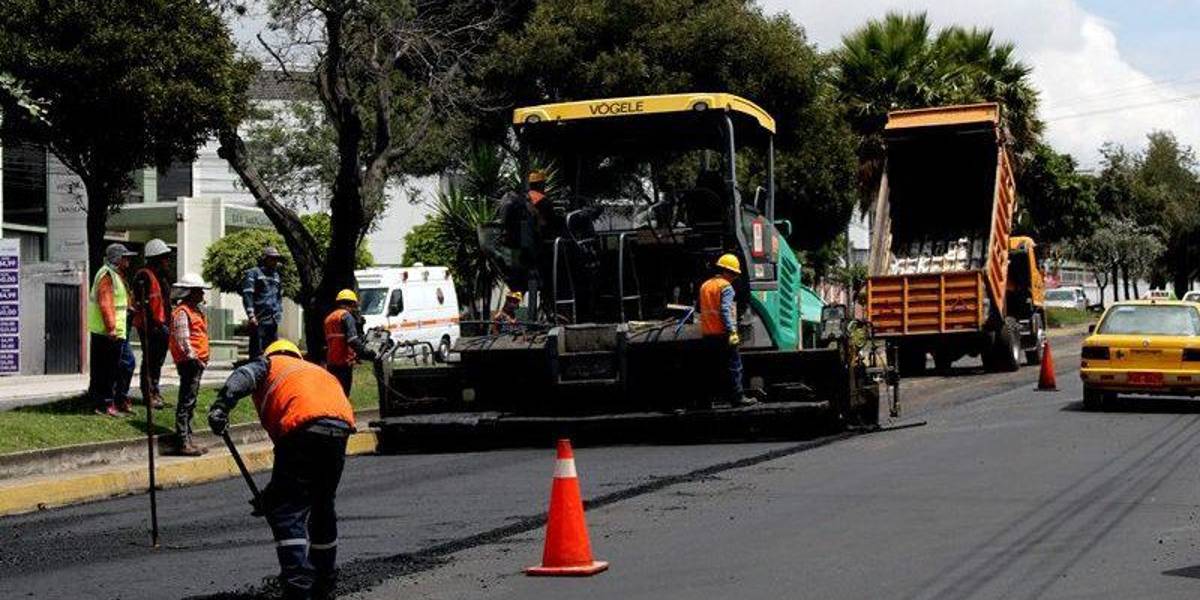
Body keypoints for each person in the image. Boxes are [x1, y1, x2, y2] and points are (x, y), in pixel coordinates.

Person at [208, 339, 356, 600]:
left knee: (288, 513)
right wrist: (272, 494)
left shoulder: (271, 364)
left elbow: (243, 375)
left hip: (303, 427)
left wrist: (221, 406)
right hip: (339, 430)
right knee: (322, 504)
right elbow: (291, 469)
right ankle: (324, 582)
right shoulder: (315, 370)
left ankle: (298, 586)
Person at [698, 253, 756, 408]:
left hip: (708, 334)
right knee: (735, 366)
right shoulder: (726, 287)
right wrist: (732, 331)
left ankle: (706, 401)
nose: (735, 277)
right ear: (728, 272)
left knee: (711, 368)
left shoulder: (705, 285)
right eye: (734, 273)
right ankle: (738, 398)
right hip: (723, 334)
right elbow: (725, 311)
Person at [88, 243, 137, 417]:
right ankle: (105, 404)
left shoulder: (116, 275)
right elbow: (106, 303)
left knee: (125, 365)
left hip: (117, 331)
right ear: (117, 259)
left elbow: (118, 300)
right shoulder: (107, 275)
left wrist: (130, 308)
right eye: (125, 257)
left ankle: (118, 399)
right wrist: (111, 328)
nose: (128, 260)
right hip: (108, 332)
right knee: (108, 370)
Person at [168, 273, 212, 456]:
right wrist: (195, 358)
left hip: (196, 362)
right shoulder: (182, 312)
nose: (202, 294)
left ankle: (188, 439)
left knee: (190, 401)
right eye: (199, 291)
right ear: (190, 292)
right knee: (187, 401)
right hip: (190, 363)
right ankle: (183, 441)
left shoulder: (195, 310)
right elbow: (183, 340)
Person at [132, 239, 172, 410]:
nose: (167, 261)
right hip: (151, 326)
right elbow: (143, 303)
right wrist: (154, 325)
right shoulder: (144, 276)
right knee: (150, 361)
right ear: (156, 258)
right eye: (164, 257)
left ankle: (155, 391)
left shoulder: (161, 277)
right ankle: (149, 394)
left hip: (162, 325)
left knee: (158, 361)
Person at [323, 289, 375, 395]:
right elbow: (352, 340)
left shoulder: (329, 318)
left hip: (331, 363)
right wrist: (366, 353)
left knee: (335, 394)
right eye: (354, 305)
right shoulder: (346, 316)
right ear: (352, 303)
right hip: (344, 362)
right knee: (344, 393)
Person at [242, 246, 285, 358]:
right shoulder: (253, 273)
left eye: (276, 259)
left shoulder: (276, 275)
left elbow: (279, 296)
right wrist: (251, 316)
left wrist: (279, 312)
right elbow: (248, 295)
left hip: (273, 320)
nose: (275, 261)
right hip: (259, 319)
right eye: (272, 258)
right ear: (265, 259)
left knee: (272, 351)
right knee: (258, 352)